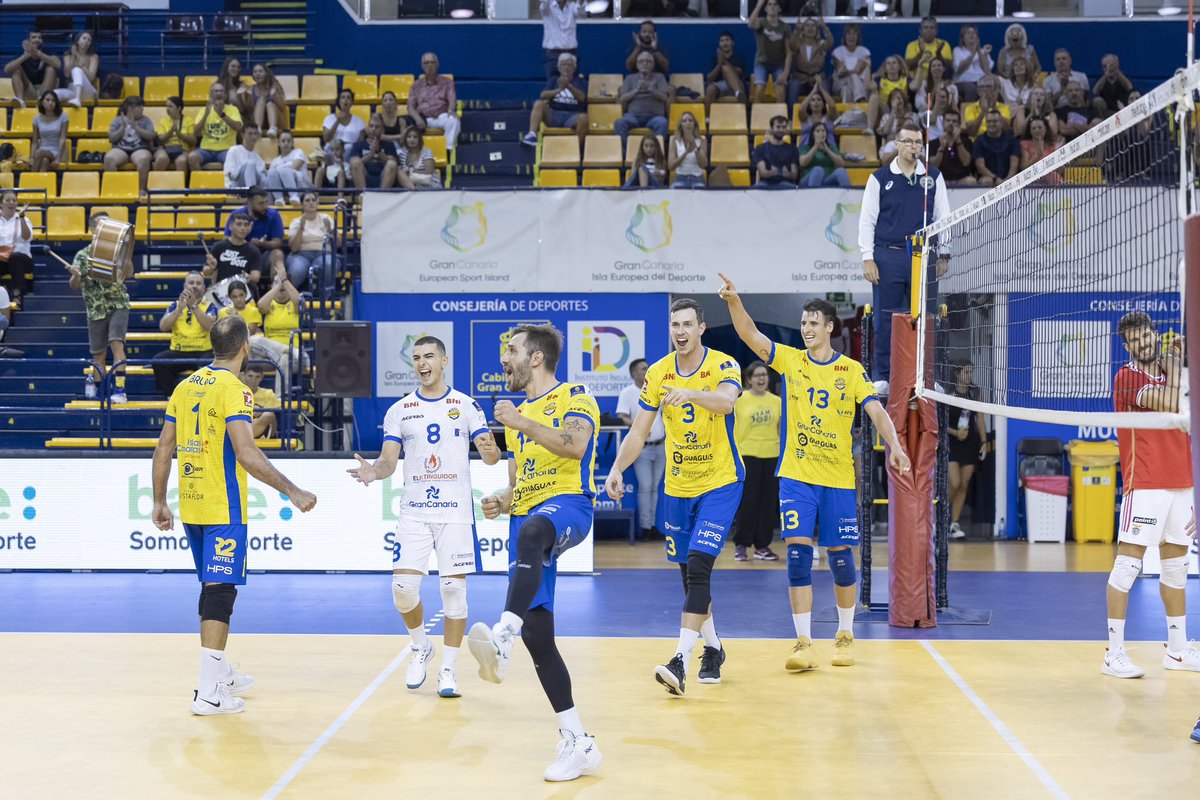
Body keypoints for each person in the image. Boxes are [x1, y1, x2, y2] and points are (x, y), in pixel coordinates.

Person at [722, 282, 910, 673]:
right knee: (797, 557)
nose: (806, 328)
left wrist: (894, 445)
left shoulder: (850, 370)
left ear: (828, 327)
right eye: (803, 322)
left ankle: (844, 635)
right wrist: (736, 302)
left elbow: (876, 412)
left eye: (813, 322)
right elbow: (749, 334)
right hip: (796, 474)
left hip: (838, 477)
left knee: (842, 560)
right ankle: (804, 643)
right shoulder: (791, 361)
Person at [151, 315, 317, 715]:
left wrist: (159, 501)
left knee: (211, 589)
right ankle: (208, 694)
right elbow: (246, 452)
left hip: (190, 505)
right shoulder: (236, 390)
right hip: (223, 507)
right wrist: (293, 490)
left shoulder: (185, 385)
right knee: (221, 594)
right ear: (246, 347)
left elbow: (163, 449)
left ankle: (220, 672)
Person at [467, 324, 603, 782]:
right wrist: (502, 499)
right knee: (540, 640)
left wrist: (519, 422)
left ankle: (503, 634)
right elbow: (522, 481)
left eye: (511, 351)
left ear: (536, 358)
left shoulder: (575, 396)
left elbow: (575, 445)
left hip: (569, 507)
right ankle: (578, 740)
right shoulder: (521, 416)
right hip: (526, 515)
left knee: (533, 534)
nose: (504, 358)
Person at [349, 336, 501, 698]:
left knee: (453, 591)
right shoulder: (400, 409)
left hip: (455, 510)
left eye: (429, 356)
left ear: (444, 360)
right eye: (416, 357)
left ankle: (448, 670)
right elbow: (388, 460)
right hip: (415, 511)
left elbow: (491, 457)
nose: (421, 362)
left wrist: (491, 449)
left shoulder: (466, 405)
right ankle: (420, 645)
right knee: (403, 590)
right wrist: (375, 472)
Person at [604, 298, 742, 696]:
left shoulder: (723, 364)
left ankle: (678, 661)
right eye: (674, 325)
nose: (680, 331)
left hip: (720, 481)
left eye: (687, 324)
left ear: (701, 328)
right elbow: (637, 431)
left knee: (699, 566)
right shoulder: (659, 373)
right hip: (678, 486)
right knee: (688, 576)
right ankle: (713, 648)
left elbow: (727, 401)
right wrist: (617, 468)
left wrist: (690, 393)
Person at [1104, 311, 1200, 679]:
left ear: (1154, 335)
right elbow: (1172, 401)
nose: (1142, 344)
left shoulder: (1174, 372)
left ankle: (1177, 650)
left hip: (1181, 483)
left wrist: (1178, 363)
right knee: (1128, 567)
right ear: (1127, 346)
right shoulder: (1127, 377)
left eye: (1146, 336)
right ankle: (1114, 654)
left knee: (1176, 570)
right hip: (1144, 483)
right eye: (1134, 340)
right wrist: (1177, 360)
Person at [857, 122, 950, 395]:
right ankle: (882, 375)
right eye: (908, 142)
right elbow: (867, 221)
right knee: (885, 318)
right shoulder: (879, 178)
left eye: (918, 143)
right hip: (888, 256)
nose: (914, 147)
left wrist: (944, 252)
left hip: (924, 255)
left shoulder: (932, 177)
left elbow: (943, 217)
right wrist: (867, 257)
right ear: (896, 144)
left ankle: (927, 376)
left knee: (926, 317)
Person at [69, 211, 134, 403]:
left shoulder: (117, 250)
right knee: (98, 353)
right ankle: (98, 394)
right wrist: (75, 275)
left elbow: (127, 274)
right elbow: (74, 284)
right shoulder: (82, 255)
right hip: (95, 309)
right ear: (92, 229)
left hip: (117, 303)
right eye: (101, 225)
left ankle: (120, 390)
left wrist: (127, 256)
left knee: (116, 343)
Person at [732, 360, 780, 562]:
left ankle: (762, 545)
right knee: (748, 502)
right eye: (757, 375)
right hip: (747, 455)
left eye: (764, 375)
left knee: (768, 503)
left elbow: (781, 430)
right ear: (749, 379)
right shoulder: (739, 400)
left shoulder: (777, 401)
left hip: (772, 455)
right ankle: (741, 544)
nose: (761, 378)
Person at [616, 358, 666, 538]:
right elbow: (621, 415)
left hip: (661, 445)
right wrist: (640, 427)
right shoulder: (628, 392)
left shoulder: (656, 388)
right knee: (645, 486)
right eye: (643, 369)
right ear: (634, 373)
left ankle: (652, 525)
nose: (647, 371)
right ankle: (645, 527)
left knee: (654, 487)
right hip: (642, 447)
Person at [153, 271, 218, 397]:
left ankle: (203, 399)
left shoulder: (210, 306)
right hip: (179, 351)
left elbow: (210, 326)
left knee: (211, 365)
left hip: (203, 351)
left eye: (198, 283)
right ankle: (171, 397)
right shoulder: (175, 305)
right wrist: (179, 309)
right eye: (191, 283)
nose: (194, 286)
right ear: (184, 286)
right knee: (158, 361)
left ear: (203, 288)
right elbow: (163, 327)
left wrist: (194, 306)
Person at [946, 360, 987, 540]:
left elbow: (980, 417)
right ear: (957, 373)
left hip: (970, 441)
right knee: (953, 483)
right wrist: (955, 432)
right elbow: (939, 422)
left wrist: (984, 442)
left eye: (971, 372)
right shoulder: (947, 392)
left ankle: (954, 524)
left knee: (963, 484)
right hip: (952, 441)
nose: (969, 375)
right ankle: (939, 516)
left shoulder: (975, 392)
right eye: (966, 372)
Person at [523, 53, 589, 147]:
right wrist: (559, 89)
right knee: (538, 104)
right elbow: (543, 95)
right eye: (564, 64)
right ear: (559, 68)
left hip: (573, 115)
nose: (566, 67)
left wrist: (569, 87)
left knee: (584, 118)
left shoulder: (581, 82)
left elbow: (582, 97)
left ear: (574, 68)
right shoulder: (554, 80)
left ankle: (576, 149)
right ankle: (532, 135)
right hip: (554, 114)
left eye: (570, 65)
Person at [224, 188, 286, 281]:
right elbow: (226, 240)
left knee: (277, 254)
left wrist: (263, 244)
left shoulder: (273, 215)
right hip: (242, 255)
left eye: (266, 202)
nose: (265, 206)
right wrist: (245, 242)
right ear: (249, 202)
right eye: (260, 203)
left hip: (264, 256)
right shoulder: (237, 215)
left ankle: (277, 289)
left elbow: (278, 242)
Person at [614, 51, 670, 146]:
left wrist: (651, 89)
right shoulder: (630, 78)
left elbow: (665, 98)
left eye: (648, 61)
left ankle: (656, 154)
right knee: (619, 123)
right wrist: (636, 90)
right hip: (634, 116)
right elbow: (622, 98)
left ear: (652, 65)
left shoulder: (660, 77)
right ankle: (624, 155)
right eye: (641, 61)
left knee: (663, 123)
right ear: (637, 65)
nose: (645, 63)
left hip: (654, 116)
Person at [205, 211, 263, 299]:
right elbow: (206, 272)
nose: (243, 228)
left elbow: (256, 276)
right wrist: (212, 268)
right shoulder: (219, 247)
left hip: (244, 293)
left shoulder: (253, 250)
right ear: (230, 226)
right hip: (221, 293)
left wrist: (248, 277)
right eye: (239, 224)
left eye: (245, 225)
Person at [105, 96, 156, 195]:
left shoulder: (146, 120)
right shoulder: (117, 120)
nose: (142, 109)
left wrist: (136, 127)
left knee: (144, 159)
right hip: (121, 148)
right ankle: (116, 191)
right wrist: (122, 128)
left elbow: (151, 136)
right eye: (139, 107)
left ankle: (141, 190)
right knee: (109, 159)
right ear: (130, 108)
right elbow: (112, 138)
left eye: (142, 107)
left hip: (140, 148)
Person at [408, 54, 460, 150]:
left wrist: (451, 110)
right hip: (424, 118)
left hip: (442, 116)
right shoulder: (416, 85)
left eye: (432, 62)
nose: (430, 65)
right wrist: (418, 118)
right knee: (406, 124)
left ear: (438, 65)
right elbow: (410, 107)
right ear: (422, 66)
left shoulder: (448, 82)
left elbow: (452, 99)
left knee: (453, 120)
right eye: (426, 63)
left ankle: (446, 150)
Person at [286, 192, 335, 290]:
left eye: (313, 200)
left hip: (324, 253)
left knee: (329, 265)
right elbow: (294, 248)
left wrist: (330, 230)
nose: (311, 203)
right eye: (307, 200)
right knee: (296, 271)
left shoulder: (326, 218)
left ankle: (325, 300)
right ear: (302, 204)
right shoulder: (296, 221)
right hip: (301, 255)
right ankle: (291, 299)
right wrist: (301, 228)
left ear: (317, 202)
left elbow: (338, 244)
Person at [188, 82, 243, 170]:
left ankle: (227, 184)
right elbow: (196, 133)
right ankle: (200, 183)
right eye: (216, 91)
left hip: (226, 150)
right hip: (206, 150)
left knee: (233, 159)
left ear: (225, 95)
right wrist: (206, 115)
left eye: (221, 91)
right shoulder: (204, 110)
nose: (219, 93)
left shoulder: (233, 109)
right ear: (211, 94)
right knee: (192, 157)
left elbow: (238, 128)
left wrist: (222, 114)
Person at [748, 0, 790, 106]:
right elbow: (751, 24)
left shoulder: (785, 27)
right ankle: (756, 118)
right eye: (769, 4)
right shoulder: (761, 23)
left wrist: (785, 73)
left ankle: (780, 118)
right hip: (762, 63)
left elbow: (789, 52)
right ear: (765, 8)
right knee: (759, 89)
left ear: (779, 9)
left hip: (779, 64)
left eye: (775, 4)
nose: (772, 7)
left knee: (780, 90)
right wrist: (759, 5)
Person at [785, 17, 833, 109]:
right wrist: (797, 30)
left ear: (816, 29)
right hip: (800, 80)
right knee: (793, 86)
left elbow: (830, 42)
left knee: (825, 86)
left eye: (813, 26)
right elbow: (791, 45)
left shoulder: (821, 44)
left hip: (817, 80)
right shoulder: (798, 44)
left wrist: (824, 27)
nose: (810, 28)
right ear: (803, 29)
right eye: (807, 26)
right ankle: (791, 118)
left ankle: (827, 117)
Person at [5, 30, 60, 108]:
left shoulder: (48, 52)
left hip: (45, 90)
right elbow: (7, 69)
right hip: (28, 90)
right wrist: (25, 57)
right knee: (16, 69)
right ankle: (20, 101)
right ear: (28, 41)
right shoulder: (22, 53)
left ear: (42, 41)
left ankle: (43, 100)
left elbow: (58, 64)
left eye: (39, 37)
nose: (37, 39)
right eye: (34, 37)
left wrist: (39, 54)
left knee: (51, 68)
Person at [0, 190, 35, 308]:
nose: (11, 203)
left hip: (21, 259)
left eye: (14, 200)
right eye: (8, 200)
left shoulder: (24, 219)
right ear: (1, 204)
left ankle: (17, 295)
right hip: (2, 258)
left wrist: (22, 217)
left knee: (15, 257)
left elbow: (27, 237)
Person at [349, 115, 399, 190]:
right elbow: (354, 164)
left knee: (392, 164)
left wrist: (378, 151)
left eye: (377, 127)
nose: (373, 129)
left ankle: (383, 195)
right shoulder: (358, 145)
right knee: (355, 163)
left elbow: (393, 164)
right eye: (371, 126)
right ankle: (363, 195)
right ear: (367, 128)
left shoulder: (389, 145)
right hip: (364, 176)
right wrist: (371, 154)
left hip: (383, 176)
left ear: (382, 130)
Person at [972, 109, 1019, 187]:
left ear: (1001, 123)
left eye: (995, 121)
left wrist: (1008, 180)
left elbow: (1014, 163)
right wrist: (996, 179)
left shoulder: (1012, 140)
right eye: (989, 121)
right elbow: (980, 166)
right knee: (987, 180)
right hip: (989, 178)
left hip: (1009, 178)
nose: (991, 124)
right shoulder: (979, 141)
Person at [928, 109, 975, 186]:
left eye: (954, 121)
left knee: (971, 181)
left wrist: (958, 141)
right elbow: (934, 166)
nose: (951, 123)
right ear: (943, 123)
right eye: (948, 120)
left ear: (959, 124)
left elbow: (966, 162)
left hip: (961, 180)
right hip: (941, 181)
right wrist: (941, 147)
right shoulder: (933, 143)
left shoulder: (966, 141)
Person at [540, 0, 585, 81]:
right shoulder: (548, 7)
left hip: (571, 52)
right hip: (553, 54)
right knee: (553, 83)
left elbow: (581, 14)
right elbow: (544, 7)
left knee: (573, 83)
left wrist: (580, 3)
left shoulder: (572, 7)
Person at [54, 31, 99, 108]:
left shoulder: (93, 57)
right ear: (77, 41)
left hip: (88, 91)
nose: (86, 41)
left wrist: (81, 64)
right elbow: (67, 74)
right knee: (53, 94)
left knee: (76, 70)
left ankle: (78, 99)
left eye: (89, 40)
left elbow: (91, 78)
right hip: (72, 90)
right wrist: (74, 57)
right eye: (84, 38)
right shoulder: (68, 56)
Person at [753, 115, 799, 189]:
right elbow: (763, 173)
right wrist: (771, 173)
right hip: (766, 184)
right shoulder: (760, 148)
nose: (781, 130)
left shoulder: (793, 149)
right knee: (754, 189)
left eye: (784, 127)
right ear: (771, 128)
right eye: (778, 127)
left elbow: (794, 175)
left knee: (793, 188)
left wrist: (788, 174)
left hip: (785, 184)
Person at [904, 16, 951, 88]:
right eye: (926, 27)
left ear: (936, 31)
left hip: (939, 82)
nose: (929, 30)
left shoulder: (944, 44)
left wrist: (938, 54)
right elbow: (909, 67)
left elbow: (948, 68)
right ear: (920, 30)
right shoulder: (912, 45)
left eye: (931, 28)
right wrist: (921, 52)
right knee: (926, 96)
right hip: (919, 82)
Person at [266, 131, 311, 205]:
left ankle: (294, 196)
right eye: (283, 141)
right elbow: (271, 178)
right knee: (271, 173)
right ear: (279, 143)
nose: (286, 143)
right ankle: (279, 199)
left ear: (293, 143)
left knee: (284, 170)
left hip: (301, 187)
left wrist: (280, 169)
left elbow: (295, 167)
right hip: (282, 188)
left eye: (289, 141)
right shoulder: (275, 161)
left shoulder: (298, 152)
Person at [153, 96, 196, 173]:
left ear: (179, 108)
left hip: (182, 149)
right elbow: (161, 139)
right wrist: (171, 130)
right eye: (167, 106)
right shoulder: (164, 120)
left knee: (181, 161)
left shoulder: (188, 120)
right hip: (165, 149)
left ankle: (181, 184)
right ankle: (155, 184)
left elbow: (193, 141)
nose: (167, 109)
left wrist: (179, 134)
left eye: (170, 106)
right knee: (162, 159)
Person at [799, 122, 849, 188]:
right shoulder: (806, 147)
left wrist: (827, 150)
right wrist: (816, 146)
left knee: (841, 171)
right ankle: (813, 196)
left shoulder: (831, 147)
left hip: (827, 179)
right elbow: (802, 163)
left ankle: (847, 196)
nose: (821, 133)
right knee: (818, 170)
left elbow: (841, 163)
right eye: (818, 131)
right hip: (808, 180)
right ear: (812, 134)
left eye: (823, 131)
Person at [831, 24, 871, 104]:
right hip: (840, 83)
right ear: (844, 36)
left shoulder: (864, 51)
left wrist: (849, 71)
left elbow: (858, 70)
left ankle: (845, 113)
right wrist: (852, 71)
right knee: (852, 76)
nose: (851, 37)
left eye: (854, 34)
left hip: (861, 84)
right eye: (849, 33)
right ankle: (860, 100)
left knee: (846, 89)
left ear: (858, 37)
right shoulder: (838, 51)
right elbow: (841, 73)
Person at [952, 24, 992, 103]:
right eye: (968, 33)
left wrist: (980, 52)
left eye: (973, 33)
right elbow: (959, 70)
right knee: (971, 88)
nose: (971, 35)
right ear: (963, 38)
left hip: (981, 81)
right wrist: (973, 53)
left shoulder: (983, 51)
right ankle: (969, 113)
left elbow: (987, 72)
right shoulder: (957, 50)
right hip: (963, 82)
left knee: (994, 84)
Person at [704, 31, 746, 108]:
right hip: (720, 86)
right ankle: (708, 118)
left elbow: (739, 73)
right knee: (710, 88)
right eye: (722, 41)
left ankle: (739, 94)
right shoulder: (715, 59)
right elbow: (709, 79)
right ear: (719, 44)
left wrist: (724, 61)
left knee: (725, 69)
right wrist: (719, 64)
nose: (724, 43)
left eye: (727, 40)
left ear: (732, 43)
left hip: (737, 85)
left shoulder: (739, 57)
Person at [30, 90, 68, 173]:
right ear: (42, 102)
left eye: (53, 100)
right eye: (47, 100)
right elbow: (35, 142)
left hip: (58, 151)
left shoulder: (63, 117)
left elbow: (63, 139)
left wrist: (58, 158)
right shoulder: (36, 119)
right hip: (42, 151)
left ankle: (30, 182)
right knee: (44, 161)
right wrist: (32, 158)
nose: (50, 103)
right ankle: (42, 185)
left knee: (39, 154)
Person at [668, 111, 707, 189]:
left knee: (701, 190)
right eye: (684, 121)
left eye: (690, 121)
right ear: (681, 125)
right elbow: (671, 166)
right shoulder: (674, 140)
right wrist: (686, 152)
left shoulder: (702, 140)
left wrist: (695, 148)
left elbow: (703, 165)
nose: (688, 123)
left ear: (694, 125)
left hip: (697, 178)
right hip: (680, 177)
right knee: (673, 190)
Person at [322, 88, 366, 156]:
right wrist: (337, 122)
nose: (345, 100)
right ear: (339, 101)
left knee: (348, 152)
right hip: (333, 148)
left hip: (351, 149)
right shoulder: (329, 119)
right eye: (343, 97)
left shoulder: (359, 122)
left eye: (348, 98)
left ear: (352, 102)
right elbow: (326, 139)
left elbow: (360, 144)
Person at [223, 124, 267, 190]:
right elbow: (231, 175)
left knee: (267, 178)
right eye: (250, 134)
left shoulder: (257, 157)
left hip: (255, 185)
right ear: (242, 135)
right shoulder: (233, 150)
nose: (253, 137)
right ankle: (252, 195)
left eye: (255, 134)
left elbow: (262, 177)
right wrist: (246, 165)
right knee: (250, 163)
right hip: (235, 185)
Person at [248, 63, 288, 137]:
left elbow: (282, 108)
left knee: (270, 104)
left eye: (260, 71)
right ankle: (257, 129)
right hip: (259, 121)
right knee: (261, 100)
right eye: (255, 72)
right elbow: (250, 110)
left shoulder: (274, 88)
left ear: (266, 74)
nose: (257, 74)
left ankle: (273, 128)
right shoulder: (251, 89)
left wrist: (274, 94)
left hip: (277, 121)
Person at [241, 362, 278, 439]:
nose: (253, 380)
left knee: (268, 415)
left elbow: (271, 418)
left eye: (257, 377)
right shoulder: (237, 393)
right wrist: (253, 414)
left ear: (262, 377)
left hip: (263, 430)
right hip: (242, 426)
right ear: (244, 376)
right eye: (250, 376)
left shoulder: (268, 393)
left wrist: (260, 411)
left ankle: (244, 437)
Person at [1093, 54, 1132, 118]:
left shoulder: (1123, 78)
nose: (1109, 68)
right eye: (1104, 66)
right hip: (1106, 113)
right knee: (1097, 101)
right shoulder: (1101, 80)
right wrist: (1106, 74)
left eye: (1111, 65)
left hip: (1122, 111)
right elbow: (1095, 91)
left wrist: (1116, 70)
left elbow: (1129, 87)